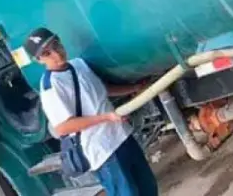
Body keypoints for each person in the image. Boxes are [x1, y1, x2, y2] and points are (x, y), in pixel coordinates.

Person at [25, 27, 157, 196]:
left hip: (122, 137)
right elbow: (63, 127)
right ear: (39, 60)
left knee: (148, 187)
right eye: (47, 53)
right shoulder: (51, 86)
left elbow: (101, 90)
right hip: (102, 152)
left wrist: (134, 88)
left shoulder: (79, 65)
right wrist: (107, 117)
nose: (56, 54)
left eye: (56, 46)